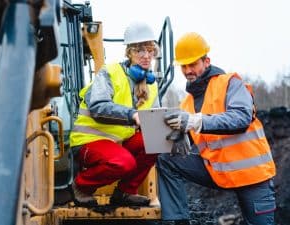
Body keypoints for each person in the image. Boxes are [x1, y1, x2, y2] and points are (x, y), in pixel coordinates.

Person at [157, 32, 276, 225]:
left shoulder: (230, 83)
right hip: (218, 172)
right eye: (184, 66)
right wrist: (177, 137)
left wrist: (196, 122)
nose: (188, 70)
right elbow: (192, 138)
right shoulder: (186, 104)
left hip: (253, 176)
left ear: (206, 61)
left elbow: (241, 118)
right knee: (166, 160)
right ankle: (178, 220)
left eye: (193, 64)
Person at [69, 21, 159, 207]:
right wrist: (131, 114)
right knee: (123, 162)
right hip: (89, 141)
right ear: (129, 53)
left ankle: (125, 192)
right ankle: (81, 187)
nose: (146, 56)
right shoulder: (109, 73)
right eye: (139, 50)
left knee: (155, 139)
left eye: (150, 51)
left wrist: (174, 130)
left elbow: (155, 122)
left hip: (118, 144)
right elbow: (98, 106)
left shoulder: (152, 86)